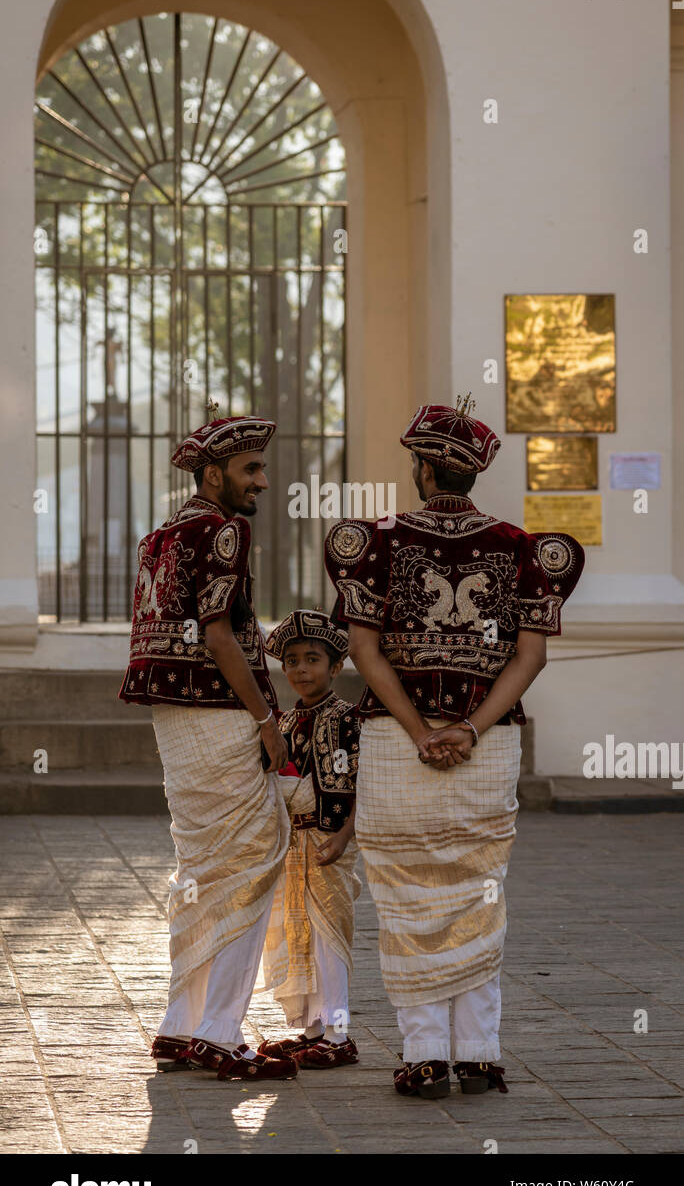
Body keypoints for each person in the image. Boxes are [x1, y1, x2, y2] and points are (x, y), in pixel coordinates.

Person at [324, 398, 585, 1100]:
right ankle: (478, 1051)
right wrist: (467, 730)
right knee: (476, 892)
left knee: (407, 896)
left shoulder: (374, 541)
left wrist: (416, 730)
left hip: (392, 740)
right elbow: (529, 657)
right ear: (468, 474)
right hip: (488, 744)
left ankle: (425, 1054)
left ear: (422, 468)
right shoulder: (522, 548)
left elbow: (362, 649)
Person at [119, 405, 296, 1083]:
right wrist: (264, 719)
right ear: (215, 472)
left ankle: (181, 1025)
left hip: (173, 719)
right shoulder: (222, 532)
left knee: (199, 869)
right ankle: (221, 1032)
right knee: (251, 866)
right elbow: (218, 635)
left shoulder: (160, 536)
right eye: (251, 469)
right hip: (221, 714)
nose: (261, 482)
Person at [255, 610, 361, 1068]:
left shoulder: (348, 719)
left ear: (336, 667)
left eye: (312, 659)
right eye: (292, 660)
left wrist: (342, 836)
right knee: (295, 932)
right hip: (292, 844)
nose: (301, 669)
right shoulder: (284, 721)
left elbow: (366, 785)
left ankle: (339, 1035)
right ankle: (311, 1029)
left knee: (328, 935)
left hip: (327, 841)